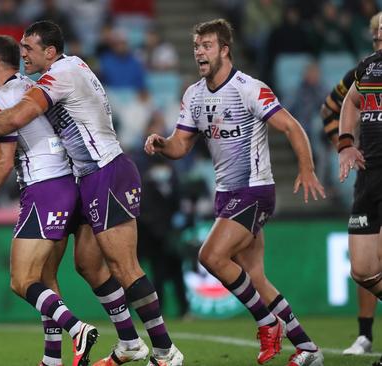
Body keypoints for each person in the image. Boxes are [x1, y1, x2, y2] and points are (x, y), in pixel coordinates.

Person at [0, 21, 183, 366]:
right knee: (88, 265)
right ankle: (128, 342)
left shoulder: (60, 75)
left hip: (106, 171)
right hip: (84, 178)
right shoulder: (70, 67)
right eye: (19, 48)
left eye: (29, 48)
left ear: (50, 52)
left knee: (125, 268)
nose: (23, 55)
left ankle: (166, 351)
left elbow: (16, 117)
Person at [144, 19, 325, 366]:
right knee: (255, 277)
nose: (199, 52)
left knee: (210, 257)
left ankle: (267, 323)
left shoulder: (248, 88)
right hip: (226, 194)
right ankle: (308, 349)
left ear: (225, 49)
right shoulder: (193, 95)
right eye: (197, 46)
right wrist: (162, 144)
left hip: (255, 190)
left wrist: (306, 167)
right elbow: (181, 144)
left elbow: (291, 125)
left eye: (207, 45)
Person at [0, 35, 99, 366]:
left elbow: (3, 162)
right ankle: (51, 360)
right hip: (69, 184)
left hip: (44, 189)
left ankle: (77, 329)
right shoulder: (31, 87)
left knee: (21, 281)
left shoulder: (2, 98)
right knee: (45, 279)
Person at [320, 12, 382, 356]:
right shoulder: (366, 68)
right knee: (363, 268)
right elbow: (336, 105)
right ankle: (364, 333)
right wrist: (344, 146)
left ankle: (366, 335)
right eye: (377, 31)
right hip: (367, 172)